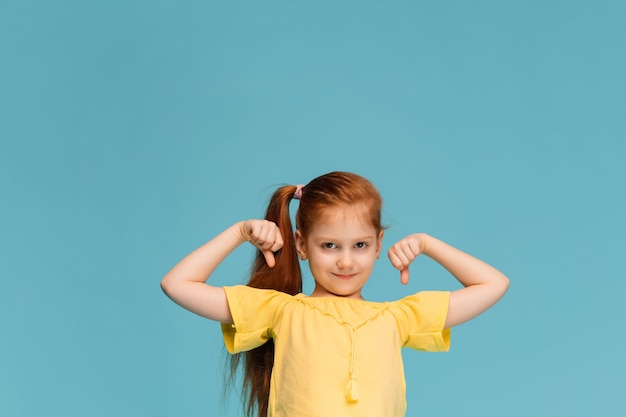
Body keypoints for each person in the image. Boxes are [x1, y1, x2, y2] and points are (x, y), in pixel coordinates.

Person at [161, 171, 509, 417]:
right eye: (329, 245)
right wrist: (238, 232)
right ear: (301, 244)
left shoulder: (397, 317)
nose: (345, 260)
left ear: (378, 245)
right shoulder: (281, 311)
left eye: (360, 244)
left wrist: (429, 245)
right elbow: (177, 284)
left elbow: (493, 284)